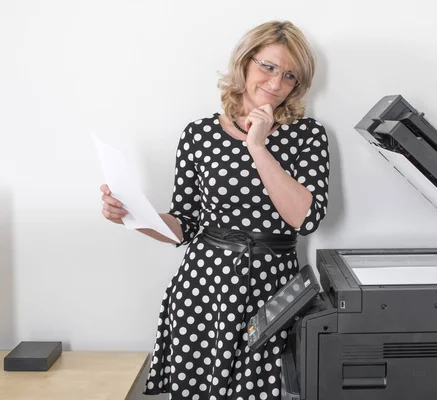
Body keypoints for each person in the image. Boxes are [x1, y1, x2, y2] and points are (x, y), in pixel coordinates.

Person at [100, 20, 329, 400]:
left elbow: (306, 218)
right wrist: (131, 217)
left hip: (272, 291)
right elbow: (185, 224)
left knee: (265, 390)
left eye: (289, 76)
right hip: (204, 286)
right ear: (244, 62)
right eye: (268, 67)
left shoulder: (307, 135)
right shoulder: (199, 134)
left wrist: (258, 146)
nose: (276, 84)